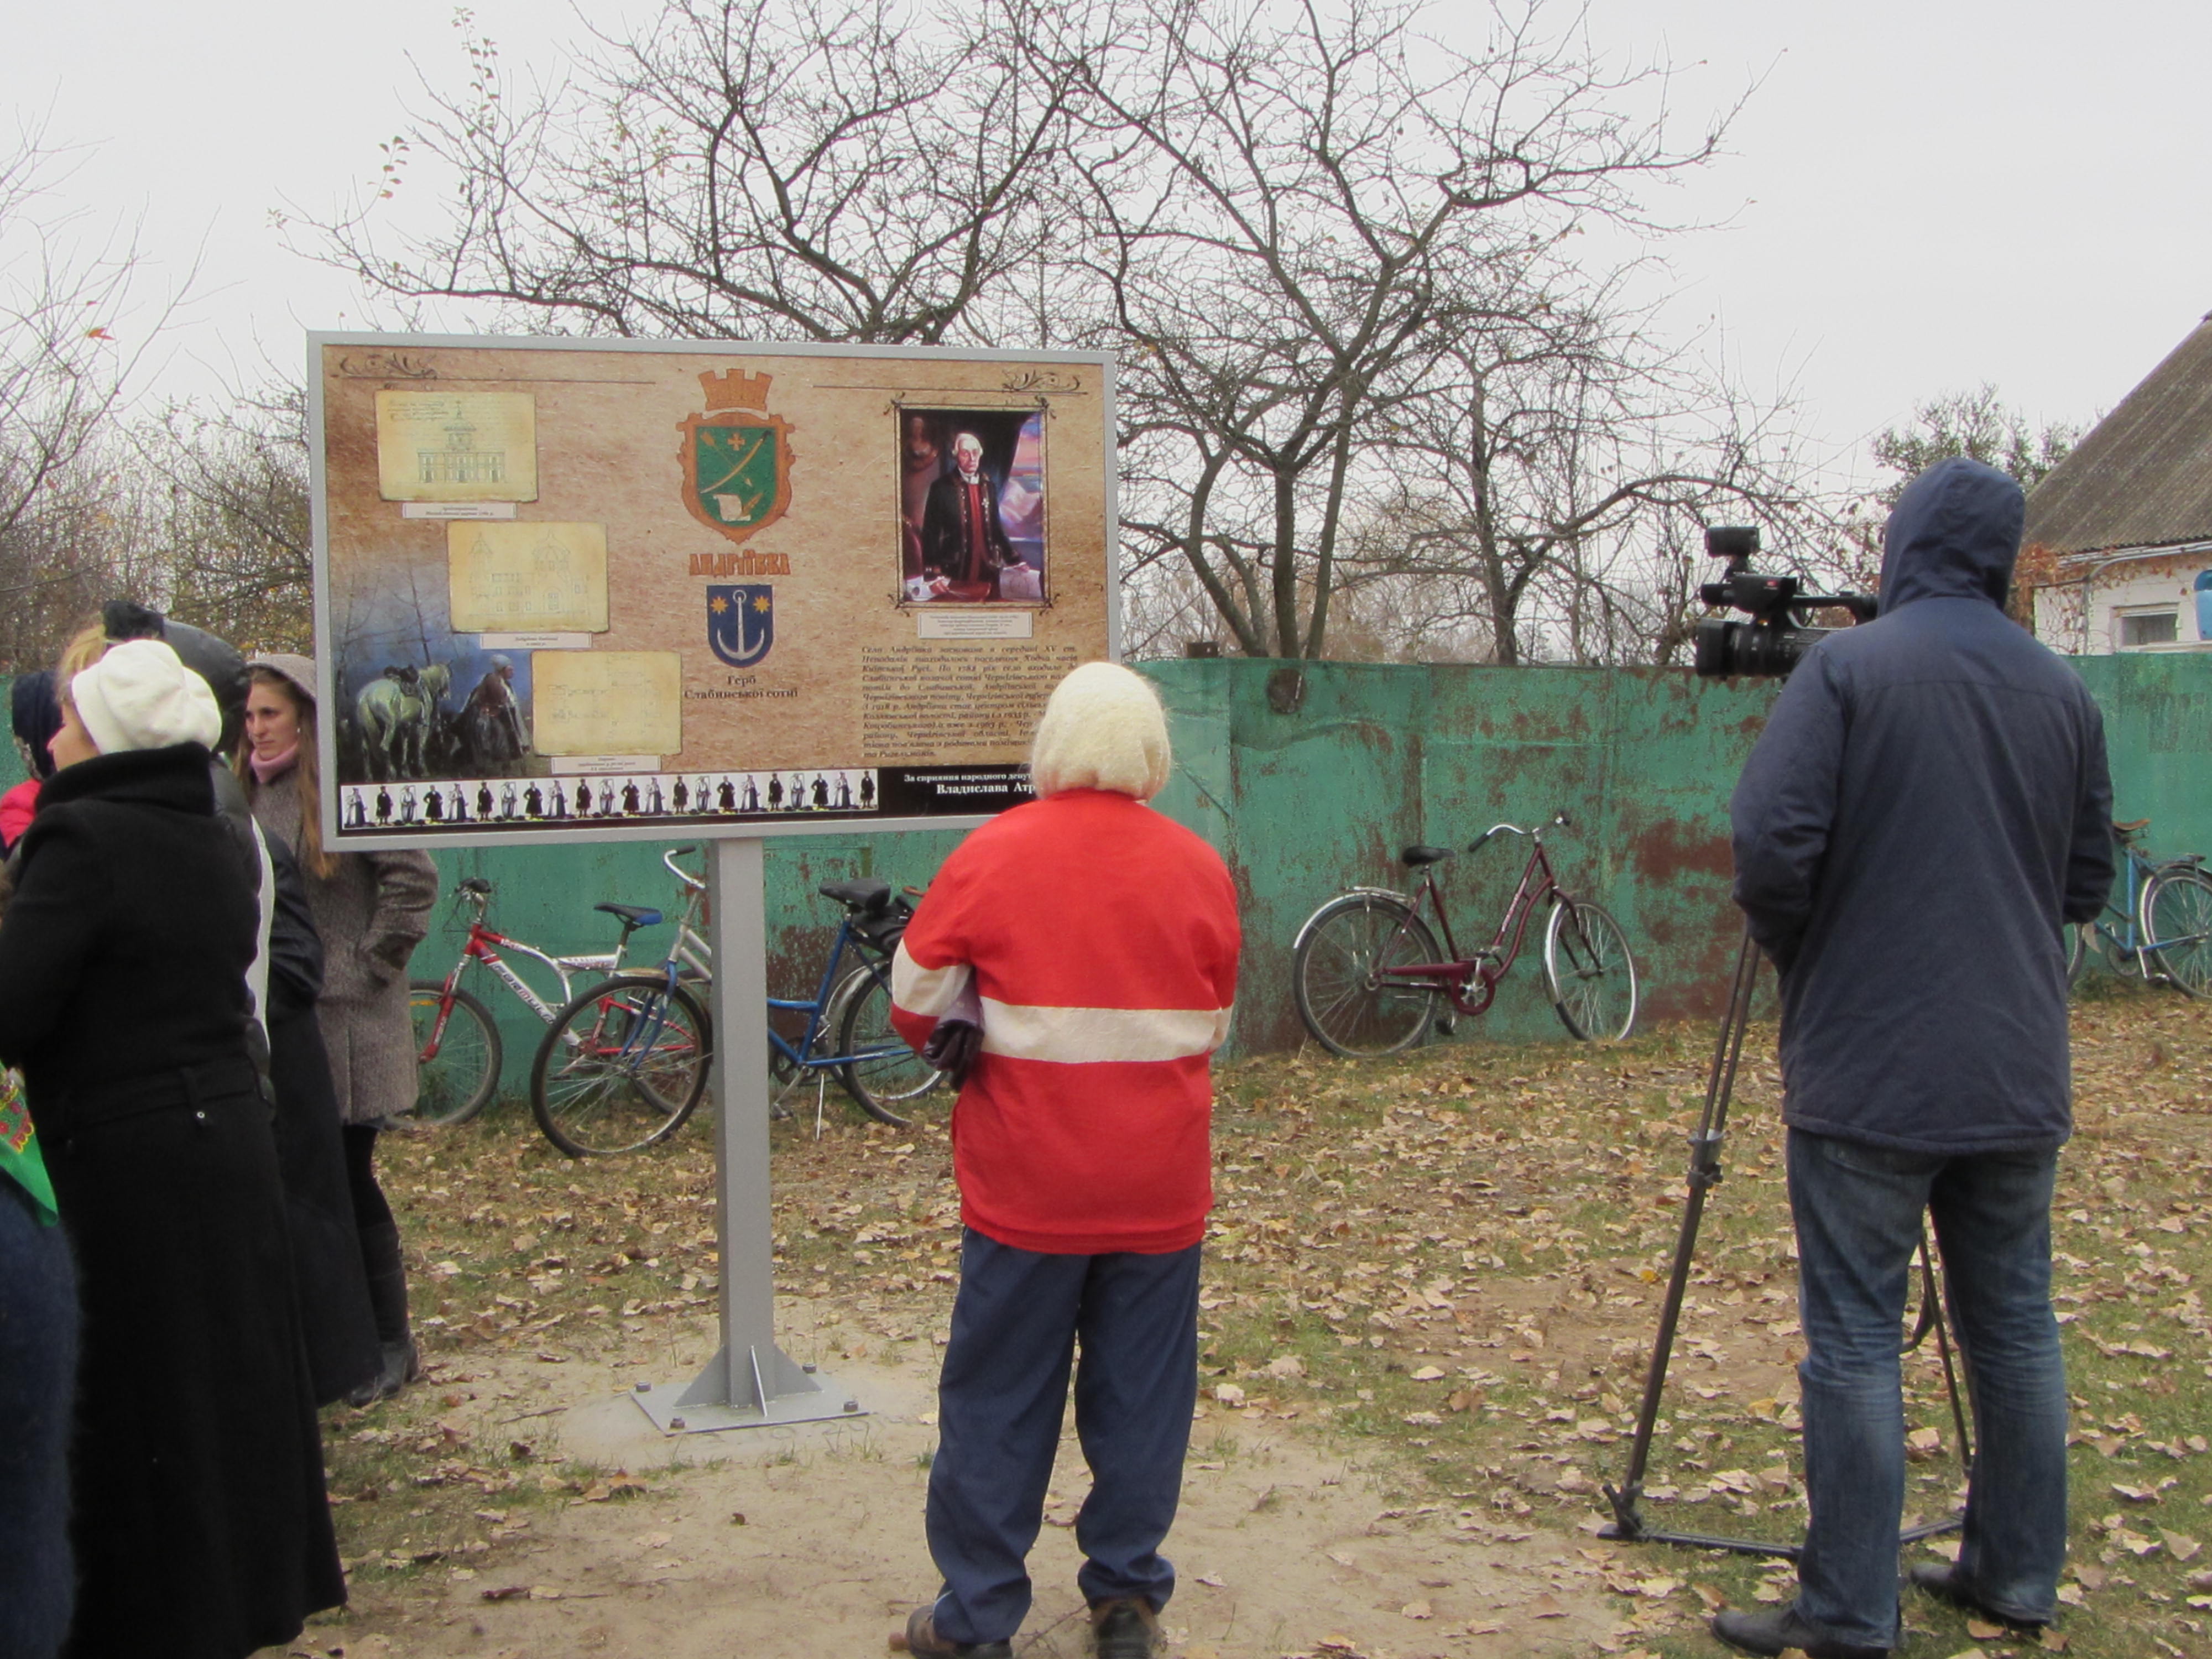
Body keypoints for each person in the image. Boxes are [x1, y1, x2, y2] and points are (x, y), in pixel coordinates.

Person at [1718, 459, 2114, 1659]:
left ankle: (1849, 1608)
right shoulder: (2062, 690)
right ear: (1999, 557)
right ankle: (2015, 1576)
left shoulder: (1847, 670)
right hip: (2015, 1066)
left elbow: (1769, 845)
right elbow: (2085, 881)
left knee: (1852, 1337)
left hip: (1869, 1069)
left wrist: (1809, 952)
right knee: (2016, 1325)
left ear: (1905, 545)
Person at [888, 661, 1241, 1659]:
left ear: (1052, 747)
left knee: (998, 1397)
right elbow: (1213, 1021)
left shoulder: (994, 851)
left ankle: (975, 1621)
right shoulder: (1199, 866)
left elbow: (912, 1002)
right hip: (1158, 1189)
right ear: (1151, 755)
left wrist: (979, 1015)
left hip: (1026, 1187)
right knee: (1143, 1400)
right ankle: (1126, 1603)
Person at [0, 638, 345, 1657]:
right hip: (223, 1137)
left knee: (145, 1404)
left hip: (127, 1157)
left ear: (108, 735)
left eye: (71, 721)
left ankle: (156, 1619)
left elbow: (15, 1009)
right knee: (220, 1394)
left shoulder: (82, 839)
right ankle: (235, 1601)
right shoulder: (214, 830)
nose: (54, 739)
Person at [236, 653, 439, 1404]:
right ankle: (332, 1340)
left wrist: (363, 966)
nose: (257, 729)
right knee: (302, 1187)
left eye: (271, 714)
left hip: (350, 1024)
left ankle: (391, 1340)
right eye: (249, 715)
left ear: (306, 718)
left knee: (351, 1180)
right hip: (282, 1025)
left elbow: (414, 879)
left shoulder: (346, 787)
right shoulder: (247, 793)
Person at [920, 431, 1021, 599]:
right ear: (956, 456)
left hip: (989, 569)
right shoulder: (941, 488)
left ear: (980, 454)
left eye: (975, 452)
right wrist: (933, 575)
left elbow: (996, 528)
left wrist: (1014, 560)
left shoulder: (989, 485)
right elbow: (931, 533)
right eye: (965, 453)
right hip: (955, 570)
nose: (972, 458)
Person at [465, 654, 528, 771]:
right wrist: (503, 701)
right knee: (495, 737)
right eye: (510, 670)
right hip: (484, 715)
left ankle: (505, 765)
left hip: (497, 714)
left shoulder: (505, 683)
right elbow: (501, 698)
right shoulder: (493, 680)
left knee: (504, 736)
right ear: (502, 670)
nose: (512, 672)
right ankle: (486, 767)